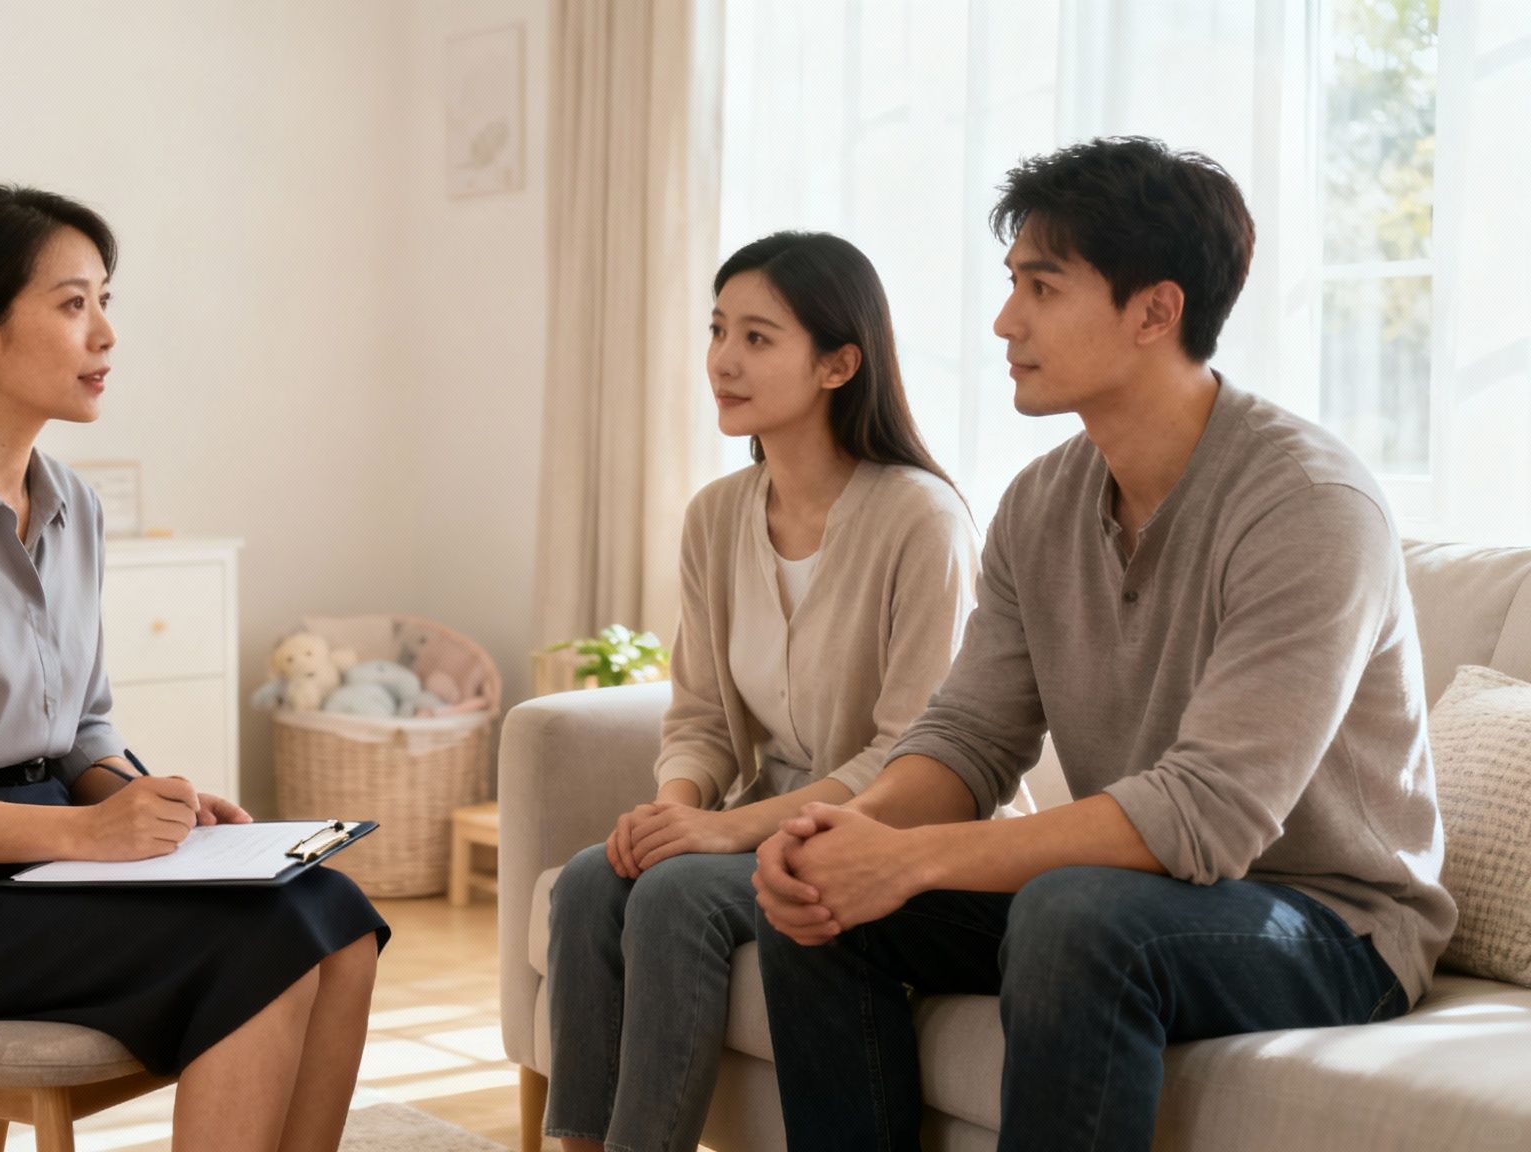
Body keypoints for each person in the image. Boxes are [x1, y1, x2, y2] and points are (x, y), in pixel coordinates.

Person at [751, 137, 1453, 1151]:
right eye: (1010, 285)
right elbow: (967, 738)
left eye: (1039, 287)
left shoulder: (1307, 505)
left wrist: (912, 862)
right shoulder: (1038, 503)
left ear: (1153, 311)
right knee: (822, 891)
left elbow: (1208, 814)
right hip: (1139, 892)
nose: (1004, 321)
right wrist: (855, 837)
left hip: (1331, 923)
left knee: (1073, 915)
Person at [0, 185, 388, 1152]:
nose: (105, 333)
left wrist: (145, 803)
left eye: (105, 301)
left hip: (39, 861)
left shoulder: (70, 502)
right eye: (73, 305)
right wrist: (90, 832)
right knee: (266, 943)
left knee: (337, 914)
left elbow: (84, 727)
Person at [544, 231, 978, 1152]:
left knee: (675, 898)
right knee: (593, 880)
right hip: (762, 816)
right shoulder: (716, 517)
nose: (723, 362)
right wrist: (673, 812)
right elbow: (699, 716)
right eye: (716, 331)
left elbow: (913, 750)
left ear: (838, 363)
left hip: (885, 829)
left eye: (757, 337)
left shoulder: (918, 520)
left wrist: (722, 831)